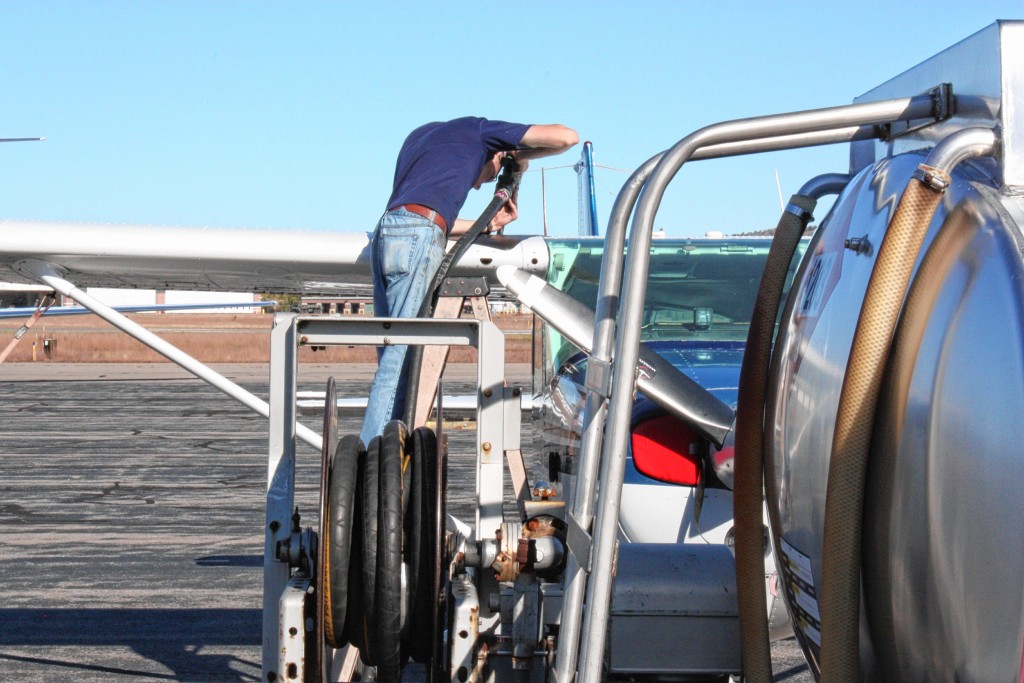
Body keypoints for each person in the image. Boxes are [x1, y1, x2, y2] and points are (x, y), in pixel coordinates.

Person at [359, 117, 578, 445]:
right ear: (494, 154)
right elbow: (566, 138)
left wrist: (488, 224)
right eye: (487, 175)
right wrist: (515, 157)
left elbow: (428, 217)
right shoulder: (479, 132)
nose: (477, 185)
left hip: (388, 233)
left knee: (393, 356)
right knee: (399, 362)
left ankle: (386, 463)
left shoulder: (418, 137)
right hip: (418, 235)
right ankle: (371, 469)